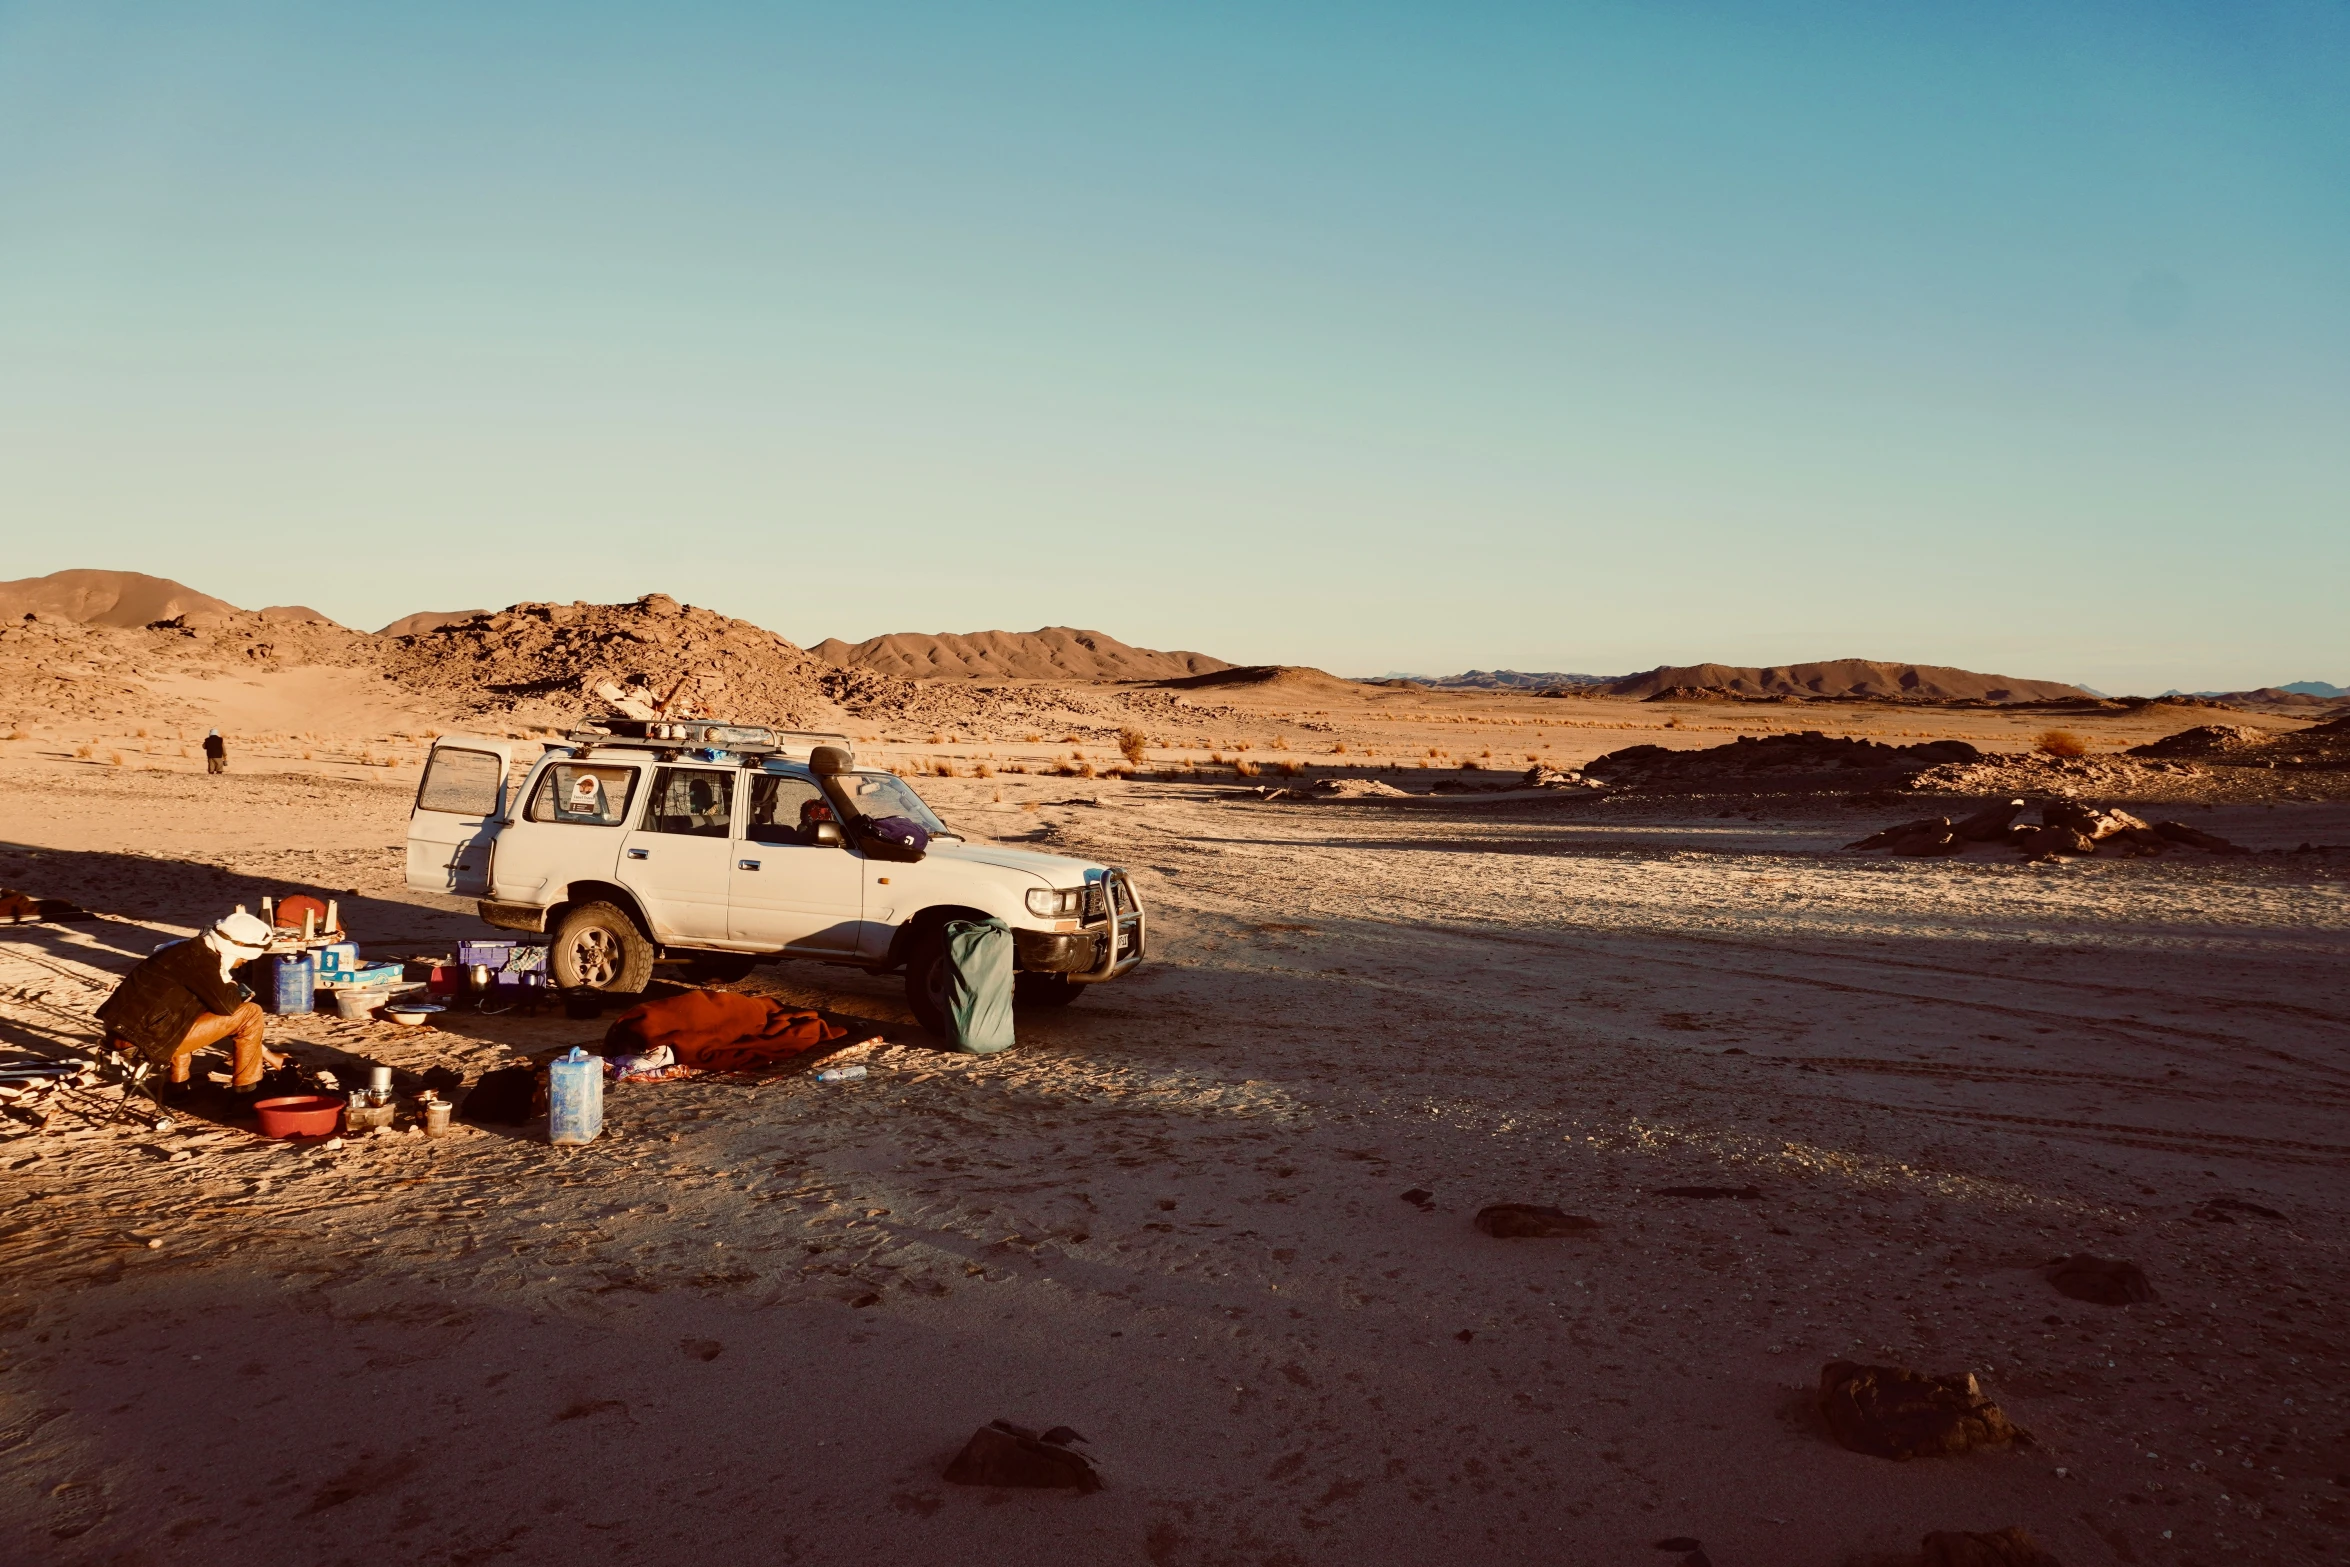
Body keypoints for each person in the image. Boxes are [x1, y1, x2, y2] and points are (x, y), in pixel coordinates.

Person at [96, 910, 285, 1093]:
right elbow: (226, 1006)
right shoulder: (201, 962)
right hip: (143, 1041)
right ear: (238, 947)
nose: (242, 963)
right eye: (243, 959)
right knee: (250, 1013)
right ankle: (247, 1089)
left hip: (118, 1033)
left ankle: (178, 1086)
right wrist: (234, 986)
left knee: (189, 1013)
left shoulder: (183, 949)